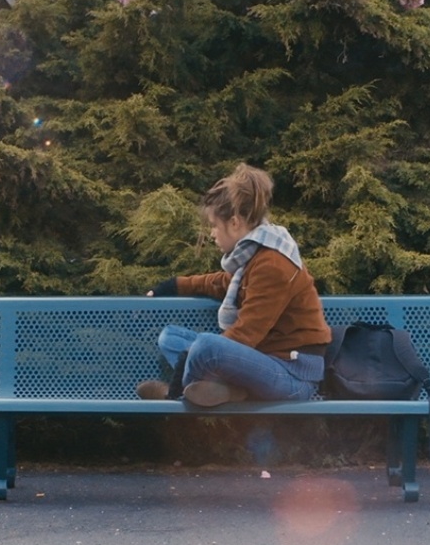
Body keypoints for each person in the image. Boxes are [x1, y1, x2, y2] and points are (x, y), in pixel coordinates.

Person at [137, 163, 332, 406]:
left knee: (206, 346)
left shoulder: (272, 264)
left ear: (235, 222)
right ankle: (231, 390)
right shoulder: (254, 255)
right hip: (262, 361)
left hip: (291, 375)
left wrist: (197, 354)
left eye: (214, 225)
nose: (212, 234)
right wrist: (174, 285)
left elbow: (246, 336)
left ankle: (174, 393)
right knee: (170, 337)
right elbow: (222, 282)